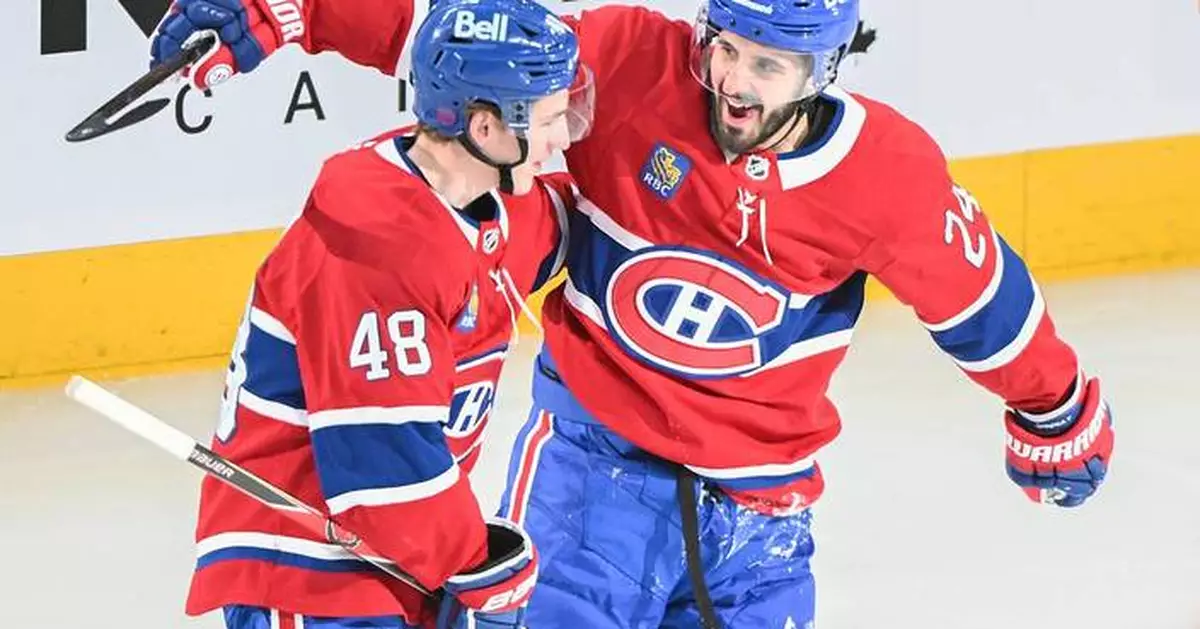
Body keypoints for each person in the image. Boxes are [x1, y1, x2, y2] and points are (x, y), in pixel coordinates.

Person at [152, 0, 1115, 627]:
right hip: (586, 476)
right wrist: (297, 11)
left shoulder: (886, 177)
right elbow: (468, 43)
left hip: (761, 516)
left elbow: (983, 299)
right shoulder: (625, 61)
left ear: (824, 68)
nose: (734, 81)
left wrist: (1055, 406)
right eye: (724, 48)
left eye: (768, 67)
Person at [177, 0, 593, 628]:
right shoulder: (378, 247)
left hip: (384, 562)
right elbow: (383, 468)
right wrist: (478, 565)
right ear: (486, 130)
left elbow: (555, 232)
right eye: (550, 119)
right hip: (308, 568)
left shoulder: (477, 196)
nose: (563, 140)